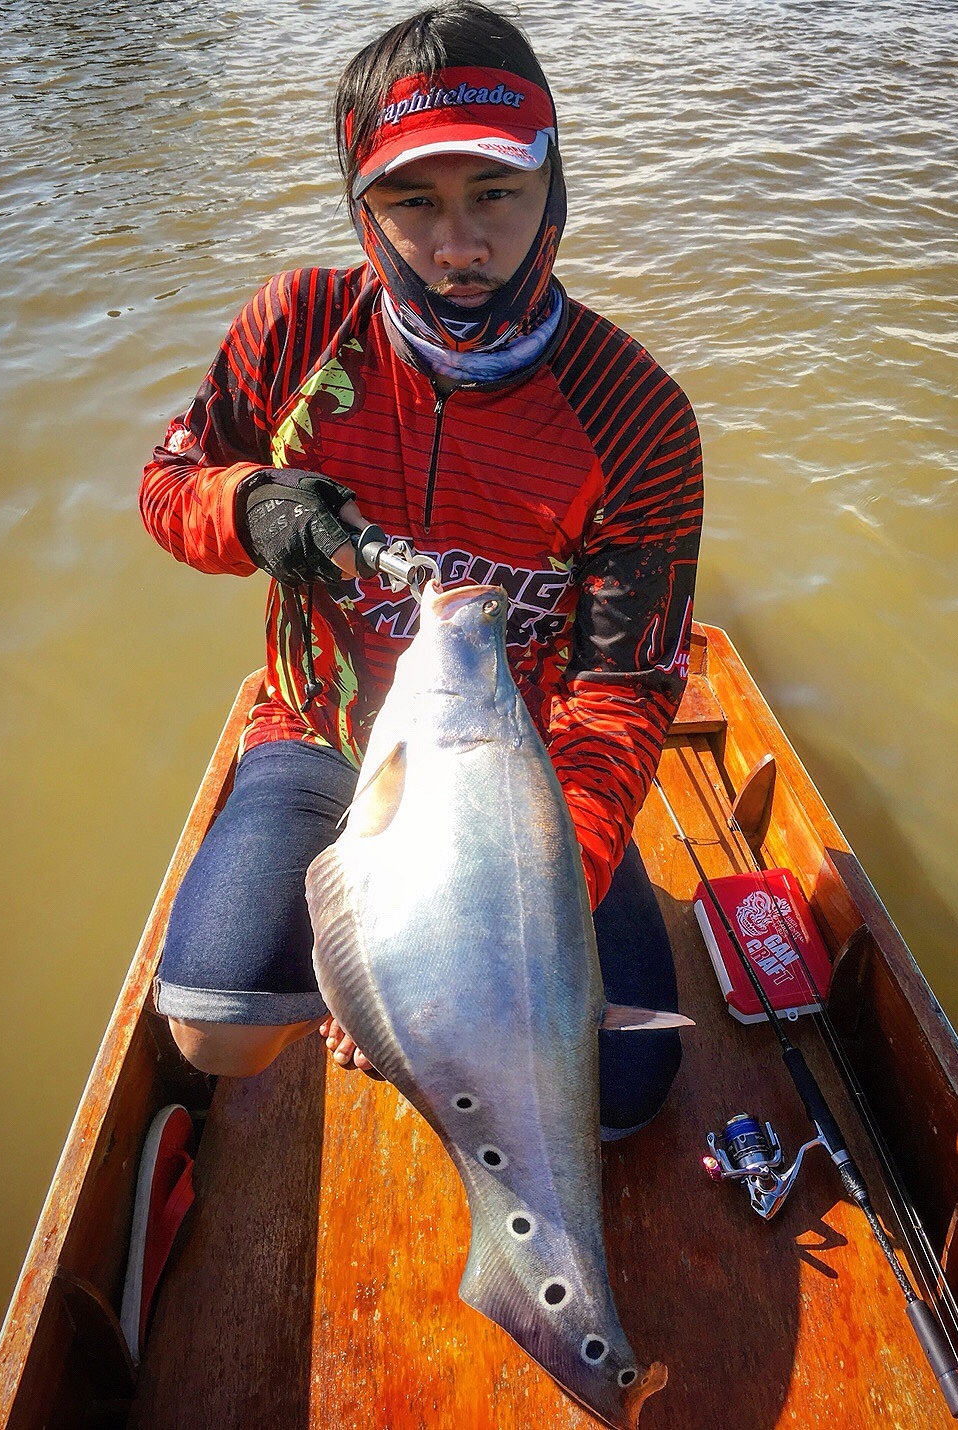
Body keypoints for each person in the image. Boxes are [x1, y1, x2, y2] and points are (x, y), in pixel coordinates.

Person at [140, 1, 703, 1140]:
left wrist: (500, 918)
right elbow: (166, 486)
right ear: (362, 205)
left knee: (622, 1099)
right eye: (413, 200)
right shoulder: (294, 328)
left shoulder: (638, 414)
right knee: (211, 1024)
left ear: (554, 185)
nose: (459, 246)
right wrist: (247, 506)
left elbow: (622, 696)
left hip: (521, 780)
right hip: (321, 736)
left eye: (496, 194)